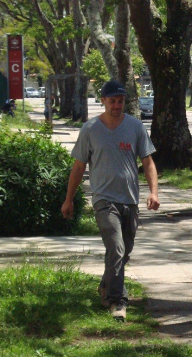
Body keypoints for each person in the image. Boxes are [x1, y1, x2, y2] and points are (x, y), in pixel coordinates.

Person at [61, 80, 160, 321]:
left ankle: (106, 285)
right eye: (112, 100)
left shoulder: (135, 127)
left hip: (130, 200)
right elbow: (78, 166)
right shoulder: (90, 129)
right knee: (116, 247)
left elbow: (148, 163)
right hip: (104, 199)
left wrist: (153, 192)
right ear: (103, 101)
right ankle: (118, 301)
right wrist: (69, 199)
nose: (117, 105)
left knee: (124, 251)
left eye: (120, 101)